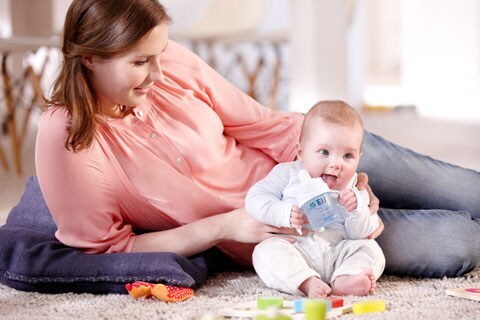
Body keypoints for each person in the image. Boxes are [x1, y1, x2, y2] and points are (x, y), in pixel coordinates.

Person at [35, 0, 479, 280]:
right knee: (460, 241)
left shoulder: (167, 62)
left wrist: (333, 166)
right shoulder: (69, 139)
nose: (158, 73)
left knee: (466, 191)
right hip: (293, 235)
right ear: (91, 58)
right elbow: (112, 248)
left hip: (313, 152)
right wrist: (224, 227)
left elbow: (260, 125)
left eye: (159, 55)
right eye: (140, 62)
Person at [246, 100, 385, 297]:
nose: (336, 164)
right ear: (301, 153)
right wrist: (284, 213)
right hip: (298, 247)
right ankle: (305, 281)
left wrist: (357, 210)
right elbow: (255, 198)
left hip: (339, 249)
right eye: (324, 152)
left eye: (347, 156)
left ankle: (345, 279)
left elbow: (362, 233)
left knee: (370, 248)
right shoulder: (288, 173)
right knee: (265, 251)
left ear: (359, 158)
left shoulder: (354, 187)